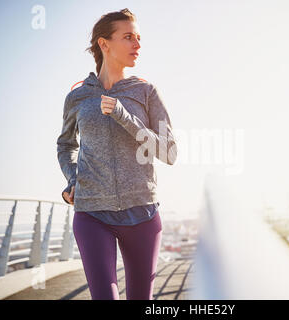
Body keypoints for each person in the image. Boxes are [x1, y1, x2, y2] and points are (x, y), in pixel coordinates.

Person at [56, 8, 178, 300]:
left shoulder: (145, 92)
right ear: (104, 44)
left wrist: (126, 118)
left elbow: (170, 152)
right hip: (92, 214)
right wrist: (73, 179)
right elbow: (65, 144)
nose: (137, 44)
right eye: (128, 37)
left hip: (142, 212)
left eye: (138, 38)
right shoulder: (78, 97)